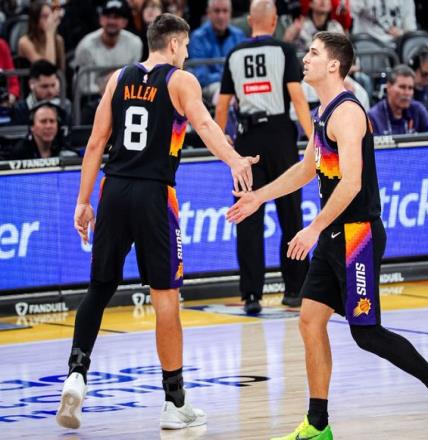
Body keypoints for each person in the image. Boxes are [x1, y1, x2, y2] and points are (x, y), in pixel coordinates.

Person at [227, 31, 428, 440]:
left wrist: (314, 227)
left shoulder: (348, 113)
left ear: (334, 65)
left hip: (357, 236)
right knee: (309, 321)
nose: (305, 58)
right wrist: (258, 197)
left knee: (367, 334)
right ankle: (318, 424)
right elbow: (307, 170)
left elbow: (352, 183)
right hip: (334, 235)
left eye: (313, 53)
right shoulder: (323, 111)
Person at [55, 13, 258, 431]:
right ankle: (174, 401)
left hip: (114, 189)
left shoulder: (118, 78)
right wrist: (235, 159)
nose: (187, 53)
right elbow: (205, 125)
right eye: (185, 46)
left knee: (99, 287)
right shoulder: (180, 80)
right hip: (154, 195)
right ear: (174, 44)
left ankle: (76, 373)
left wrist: (83, 201)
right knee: (165, 297)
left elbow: (95, 143)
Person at [215, 0, 313, 313]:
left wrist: (221, 139)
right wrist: (314, 137)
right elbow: (297, 97)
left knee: (247, 217)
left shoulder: (234, 53)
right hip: (280, 136)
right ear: (274, 21)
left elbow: (222, 104)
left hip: (247, 139)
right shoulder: (284, 50)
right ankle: (295, 290)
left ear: (249, 21)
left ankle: (251, 295)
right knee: (290, 215)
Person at [74, 0, 143, 96]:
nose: (111, 21)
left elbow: (134, 79)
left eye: (116, 17)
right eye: (108, 16)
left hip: (125, 95)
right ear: (101, 19)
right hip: (93, 97)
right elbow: (84, 85)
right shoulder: (86, 46)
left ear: (125, 22)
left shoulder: (135, 43)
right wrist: (108, 88)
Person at [188, 0, 245, 105]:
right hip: (210, 87)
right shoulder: (198, 38)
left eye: (225, 11)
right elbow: (201, 75)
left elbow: (243, 68)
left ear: (230, 13)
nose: (221, 16)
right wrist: (226, 77)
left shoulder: (239, 36)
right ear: (208, 13)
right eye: (217, 11)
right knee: (223, 92)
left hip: (236, 84)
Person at [368, 64, 428, 135]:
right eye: (402, 87)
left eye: (410, 88)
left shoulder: (417, 109)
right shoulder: (373, 117)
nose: (407, 93)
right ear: (389, 87)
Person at [11, 60, 72, 125]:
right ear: (31, 84)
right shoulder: (19, 110)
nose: (50, 91)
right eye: (45, 86)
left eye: (53, 85)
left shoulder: (65, 106)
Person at [17, 0, 66, 72]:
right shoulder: (24, 42)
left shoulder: (58, 40)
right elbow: (46, 70)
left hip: (54, 78)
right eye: (44, 16)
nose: (49, 20)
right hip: (34, 78)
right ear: (35, 20)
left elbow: (61, 72)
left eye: (50, 16)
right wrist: (49, 33)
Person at [350, 0, 417, 45]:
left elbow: (411, 30)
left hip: (396, 46)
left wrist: (401, 33)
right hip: (367, 46)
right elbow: (348, 14)